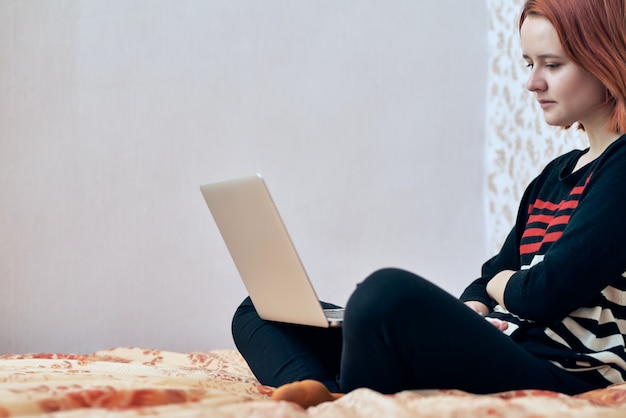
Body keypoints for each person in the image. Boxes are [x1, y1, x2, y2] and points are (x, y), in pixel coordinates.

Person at [232, 0, 626, 407]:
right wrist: (474, 306)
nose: (533, 83)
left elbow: (544, 293)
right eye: (529, 64)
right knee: (260, 311)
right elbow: (491, 274)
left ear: (605, 59)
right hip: (500, 343)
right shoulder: (554, 175)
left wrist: (497, 286)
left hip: (560, 368)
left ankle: (346, 395)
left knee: (383, 295)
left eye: (553, 65)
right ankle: (328, 395)